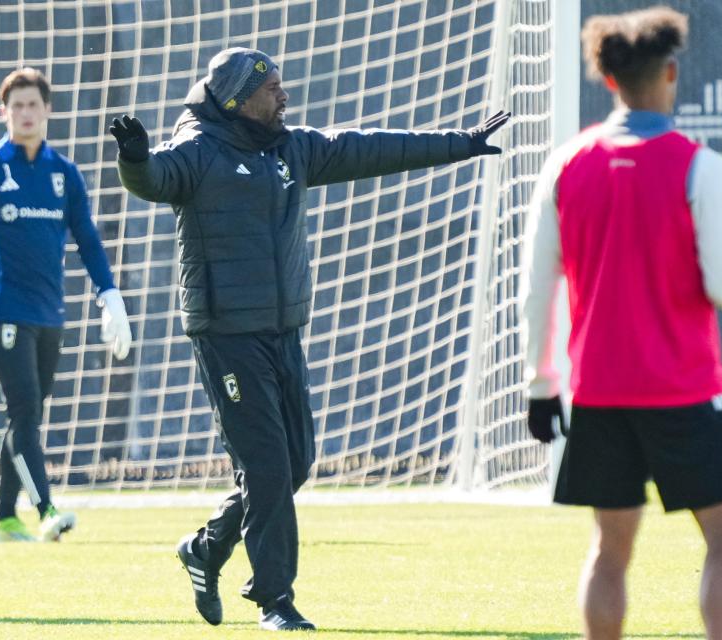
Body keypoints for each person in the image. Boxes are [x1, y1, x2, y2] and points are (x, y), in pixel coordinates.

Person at [110, 47, 508, 631]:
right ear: (237, 99)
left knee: (294, 463)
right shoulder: (197, 151)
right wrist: (135, 158)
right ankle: (275, 600)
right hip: (227, 336)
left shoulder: (292, 149)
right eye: (272, 89)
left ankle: (207, 548)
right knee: (269, 466)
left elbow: (370, 148)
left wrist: (460, 142)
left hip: (282, 331)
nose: (284, 96)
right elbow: (154, 179)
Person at [520, 7, 722, 640]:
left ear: (607, 80)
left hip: (598, 391)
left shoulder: (567, 165)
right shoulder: (697, 164)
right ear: (671, 73)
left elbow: (538, 287)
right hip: (684, 389)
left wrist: (542, 386)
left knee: (610, 546)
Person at [0, 68, 132, 544]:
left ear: (48, 109)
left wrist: (110, 296)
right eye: (16, 106)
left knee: (27, 415)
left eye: (33, 104)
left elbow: (89, 240)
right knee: (25, 410)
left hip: (49, 313)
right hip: (0, 312)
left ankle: (3, 518)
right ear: (4, 113)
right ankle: (46, 509)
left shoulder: (64, 174)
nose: (26, 113)